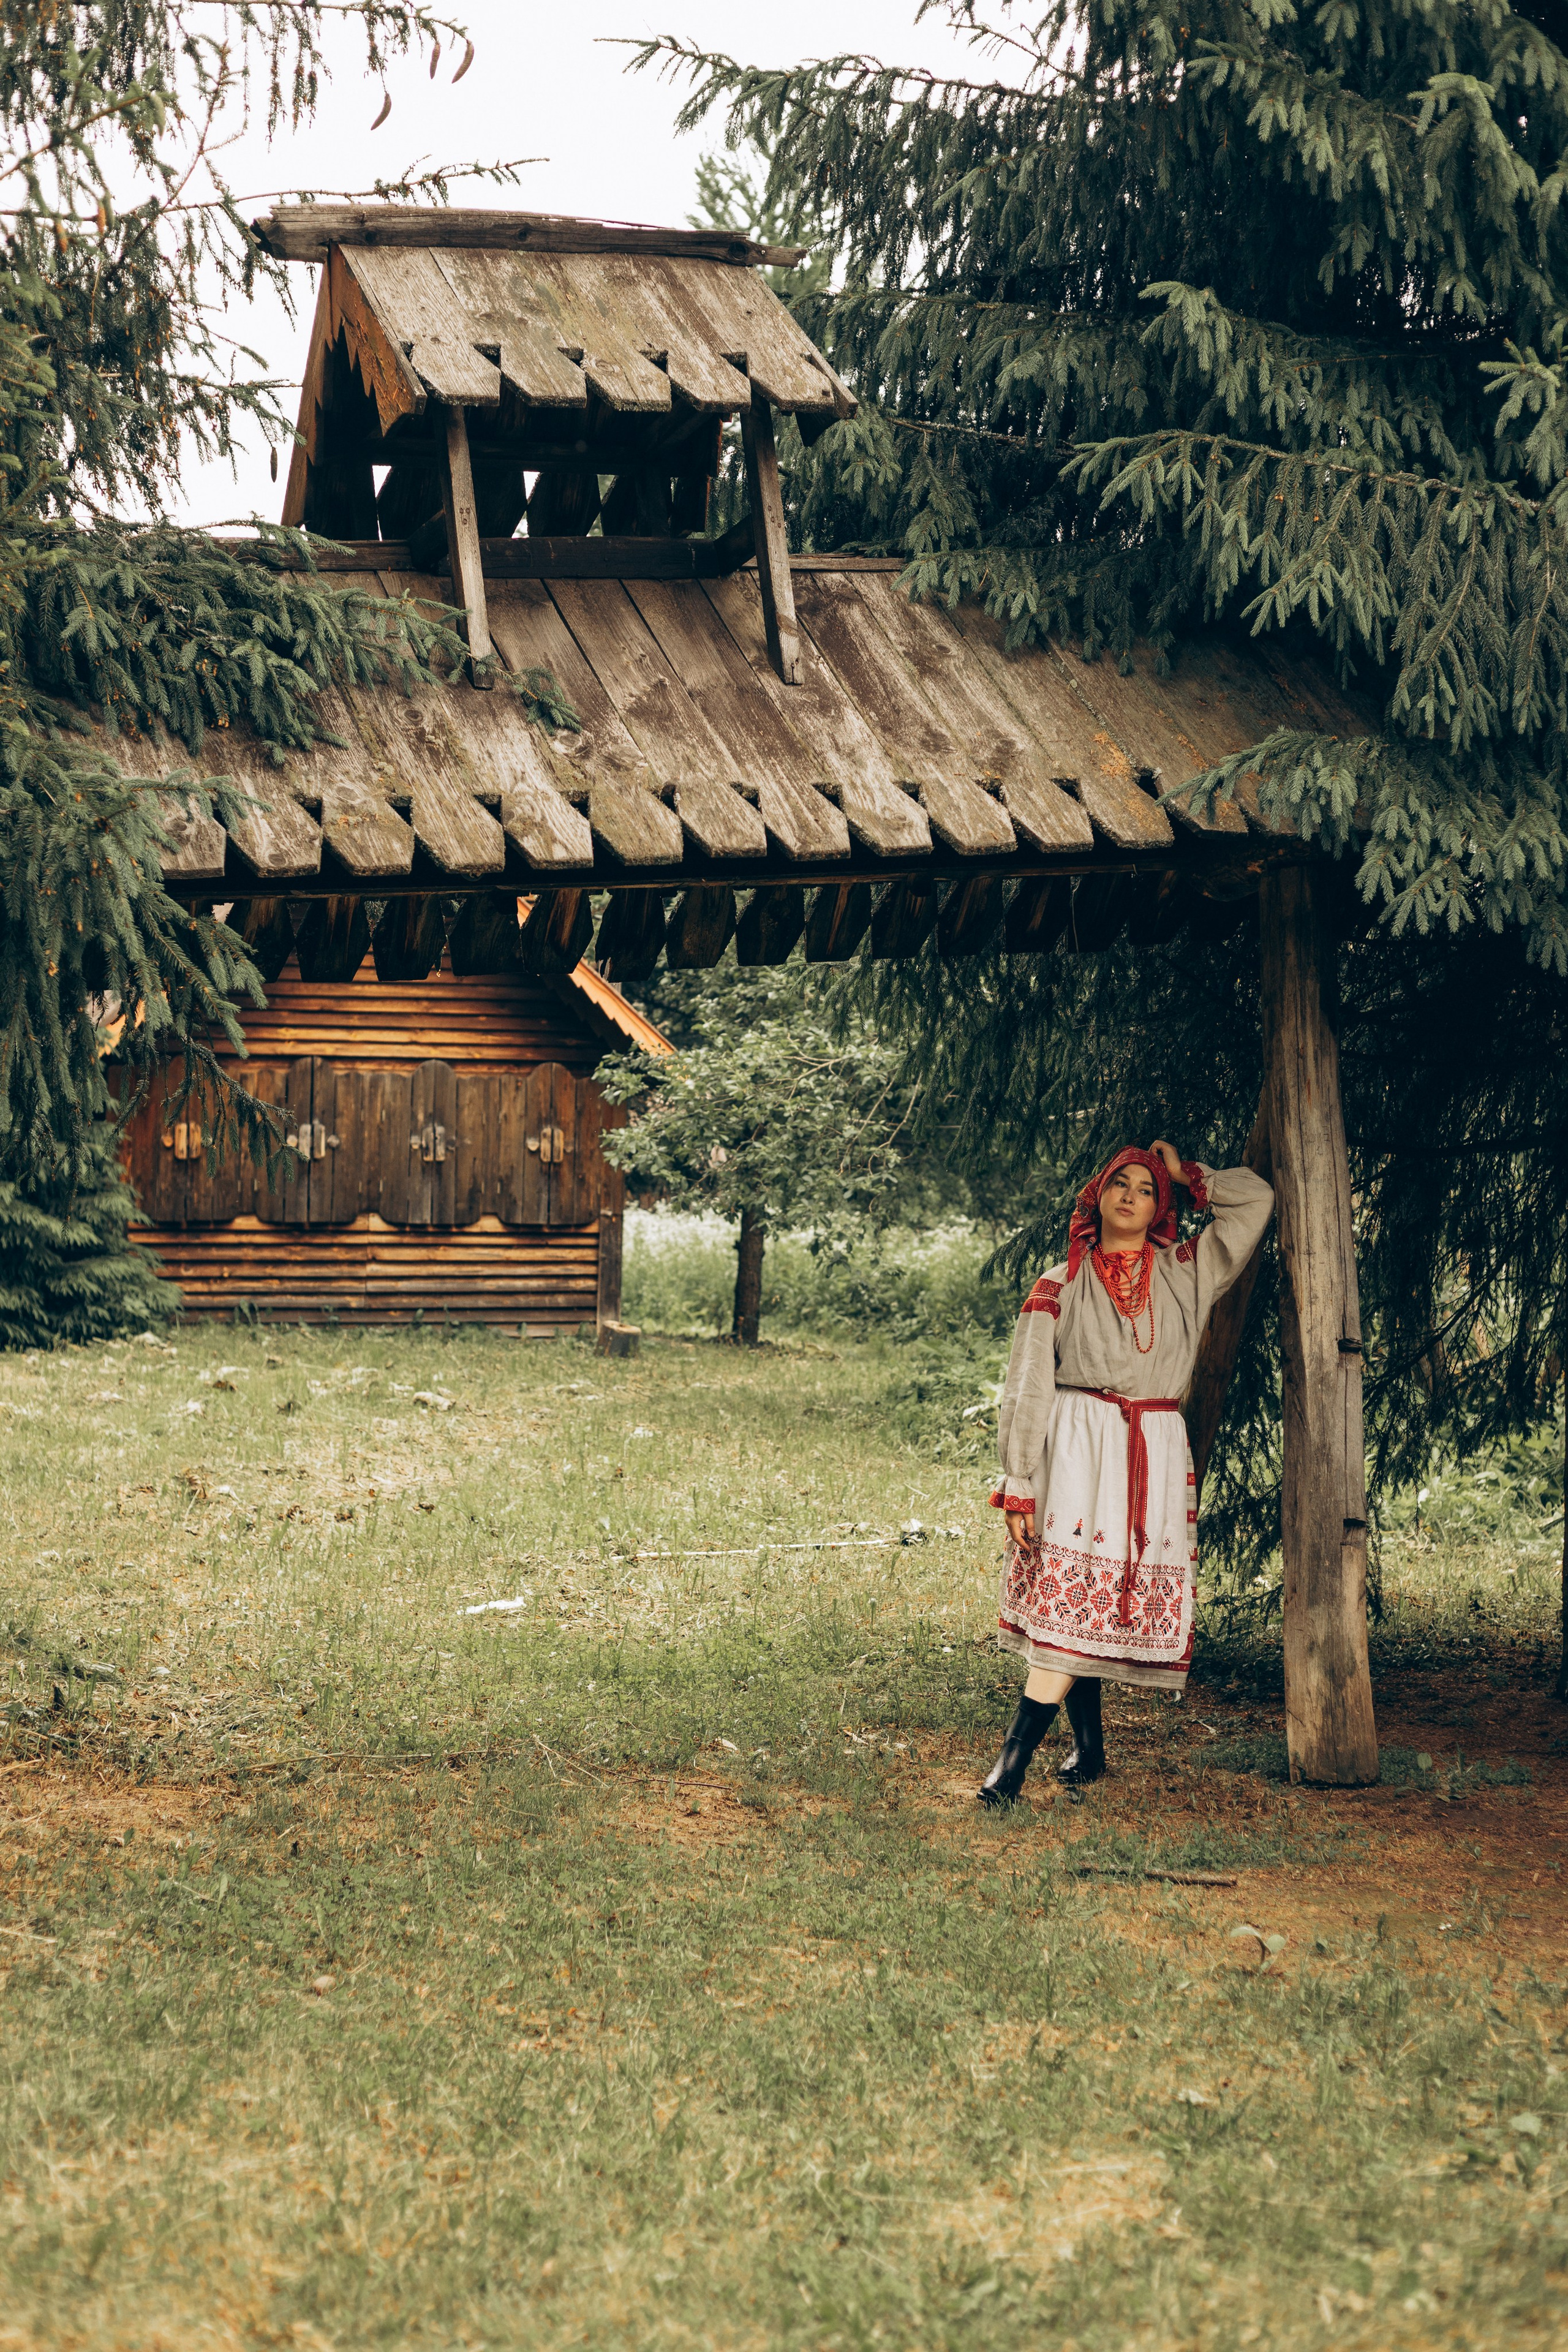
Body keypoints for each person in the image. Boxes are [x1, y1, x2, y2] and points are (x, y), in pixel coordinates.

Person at [978, 1139, 1274, 1806]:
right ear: (1098, 1195)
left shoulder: (1187, 1270)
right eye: (1121, 1183)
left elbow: (1256, 1201)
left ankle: (1084, 1749)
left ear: (1159, 1205)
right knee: (1070, 1604)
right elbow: (1028, 1384)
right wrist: (1018, 1479)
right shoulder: (1059, 1281)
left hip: (1151, 1445)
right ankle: (1014, 1765)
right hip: (1076, 1445)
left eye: (1146, 1188)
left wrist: (1185, 1174)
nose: (1132, 1195)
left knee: (1099, 1595)